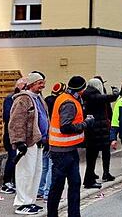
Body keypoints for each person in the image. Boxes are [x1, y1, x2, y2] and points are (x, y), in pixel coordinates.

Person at [47, 76, 95, 217]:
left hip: (68, 149)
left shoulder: (66, 98)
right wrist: (86, 124)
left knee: (74, 184)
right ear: (81, 90)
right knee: (58, 186)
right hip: (62, 151)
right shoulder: (69, 103)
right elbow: (65, 127)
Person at [8, 72, 49, 215]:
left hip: (38, 142)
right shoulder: (23, 100)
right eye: (40, 83)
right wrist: (19, 141)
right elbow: (16, 122)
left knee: (35, 173)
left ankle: (30, 201)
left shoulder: (38, 98)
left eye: (43, 82)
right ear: (32, 84)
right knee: (25, 173)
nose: (42, 85)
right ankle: (22, 203)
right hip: (27, 143)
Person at [82, 78, 118, 189]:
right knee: (92, 156)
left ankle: (92, 176)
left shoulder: (89, 94)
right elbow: (107, 98)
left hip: (97, 130)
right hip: (96, 131)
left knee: (93, 156)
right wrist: (116, 93)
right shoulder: (92, 95)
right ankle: (89, 180)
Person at [2, 77, 28, 195]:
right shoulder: (10, 99)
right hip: (11, 135)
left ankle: (14, 181)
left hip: (20, 134)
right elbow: (8, 117)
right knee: (13, 158)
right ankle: (6, 182)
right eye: (25, 86)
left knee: (18, 158)